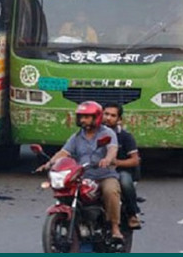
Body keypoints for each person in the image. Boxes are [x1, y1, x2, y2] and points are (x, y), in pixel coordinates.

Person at [37, 101, 124, 242]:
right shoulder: (77, 137)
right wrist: (49, 163)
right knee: (67, 191)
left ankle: (115, 228)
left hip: (104, 175)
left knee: (111, 191)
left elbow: (112, 149)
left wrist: (107, 159)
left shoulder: (107, 133)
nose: (83, 120)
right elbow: (64, 152)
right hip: (83, 176)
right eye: (81, 116)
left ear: (96, 117)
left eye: (87, 117)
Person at [102, 103, 142, 230]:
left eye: (113, 115)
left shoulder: (125, 137)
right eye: (106, 114)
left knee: (125, 182)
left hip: (120, 171)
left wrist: (116, 162)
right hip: (99, 171)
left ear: (119, 119)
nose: (108, 118)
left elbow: (135, 160)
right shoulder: (93, 133)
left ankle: (132, 213)